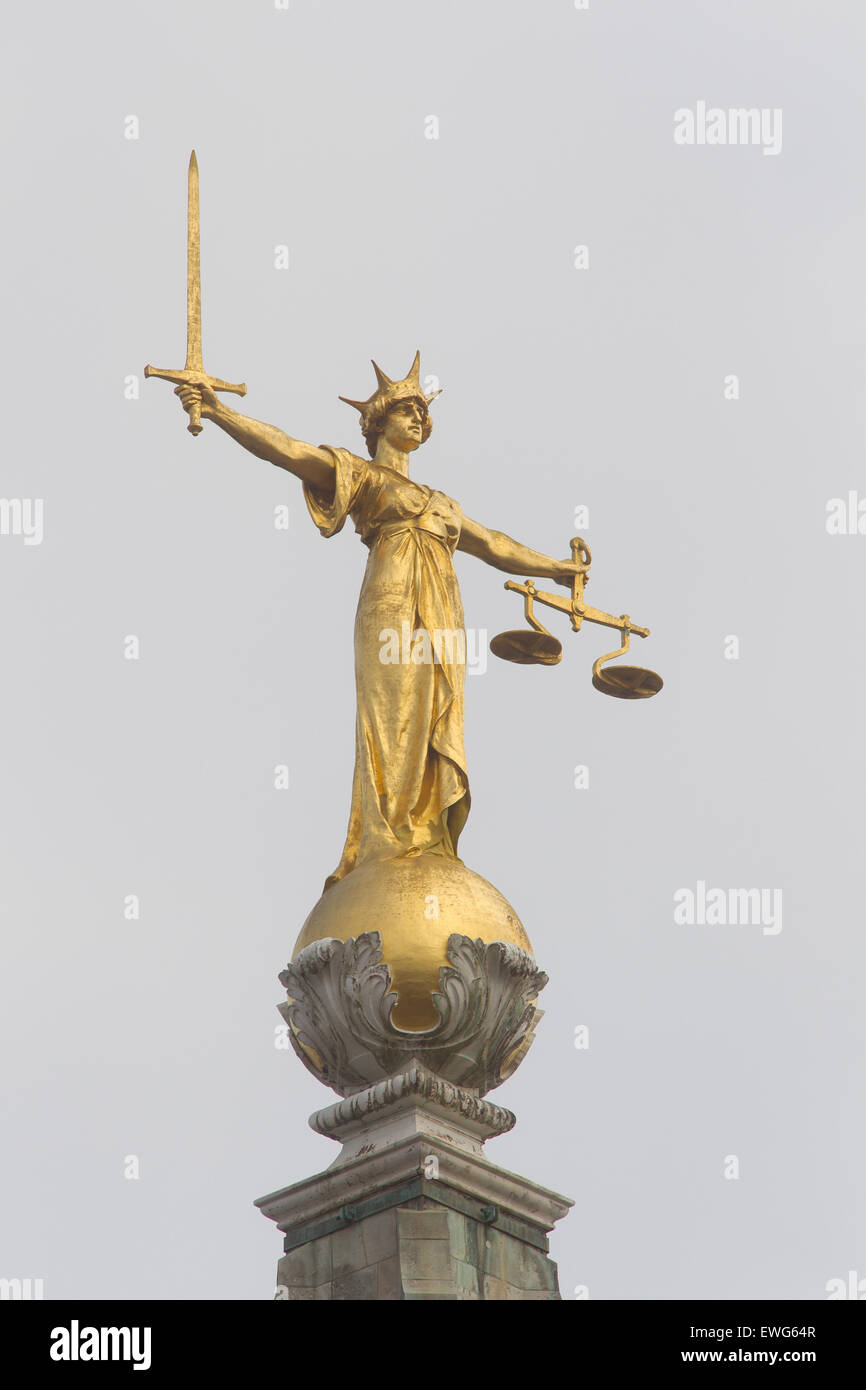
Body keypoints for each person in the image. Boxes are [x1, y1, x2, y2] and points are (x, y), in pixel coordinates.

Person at [175, 352, 582, 891]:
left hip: (441, 610)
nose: (418, 418)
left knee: (437, 705)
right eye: (407, 410)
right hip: (391, 601)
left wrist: (558, 568)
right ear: (379, 421)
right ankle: (387, 836)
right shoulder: (363, 475)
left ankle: (426, 829)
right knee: (392, 715)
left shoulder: (442, 503)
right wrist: (220, 411)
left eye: (422, 412)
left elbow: (494, 545)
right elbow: (289, 451)